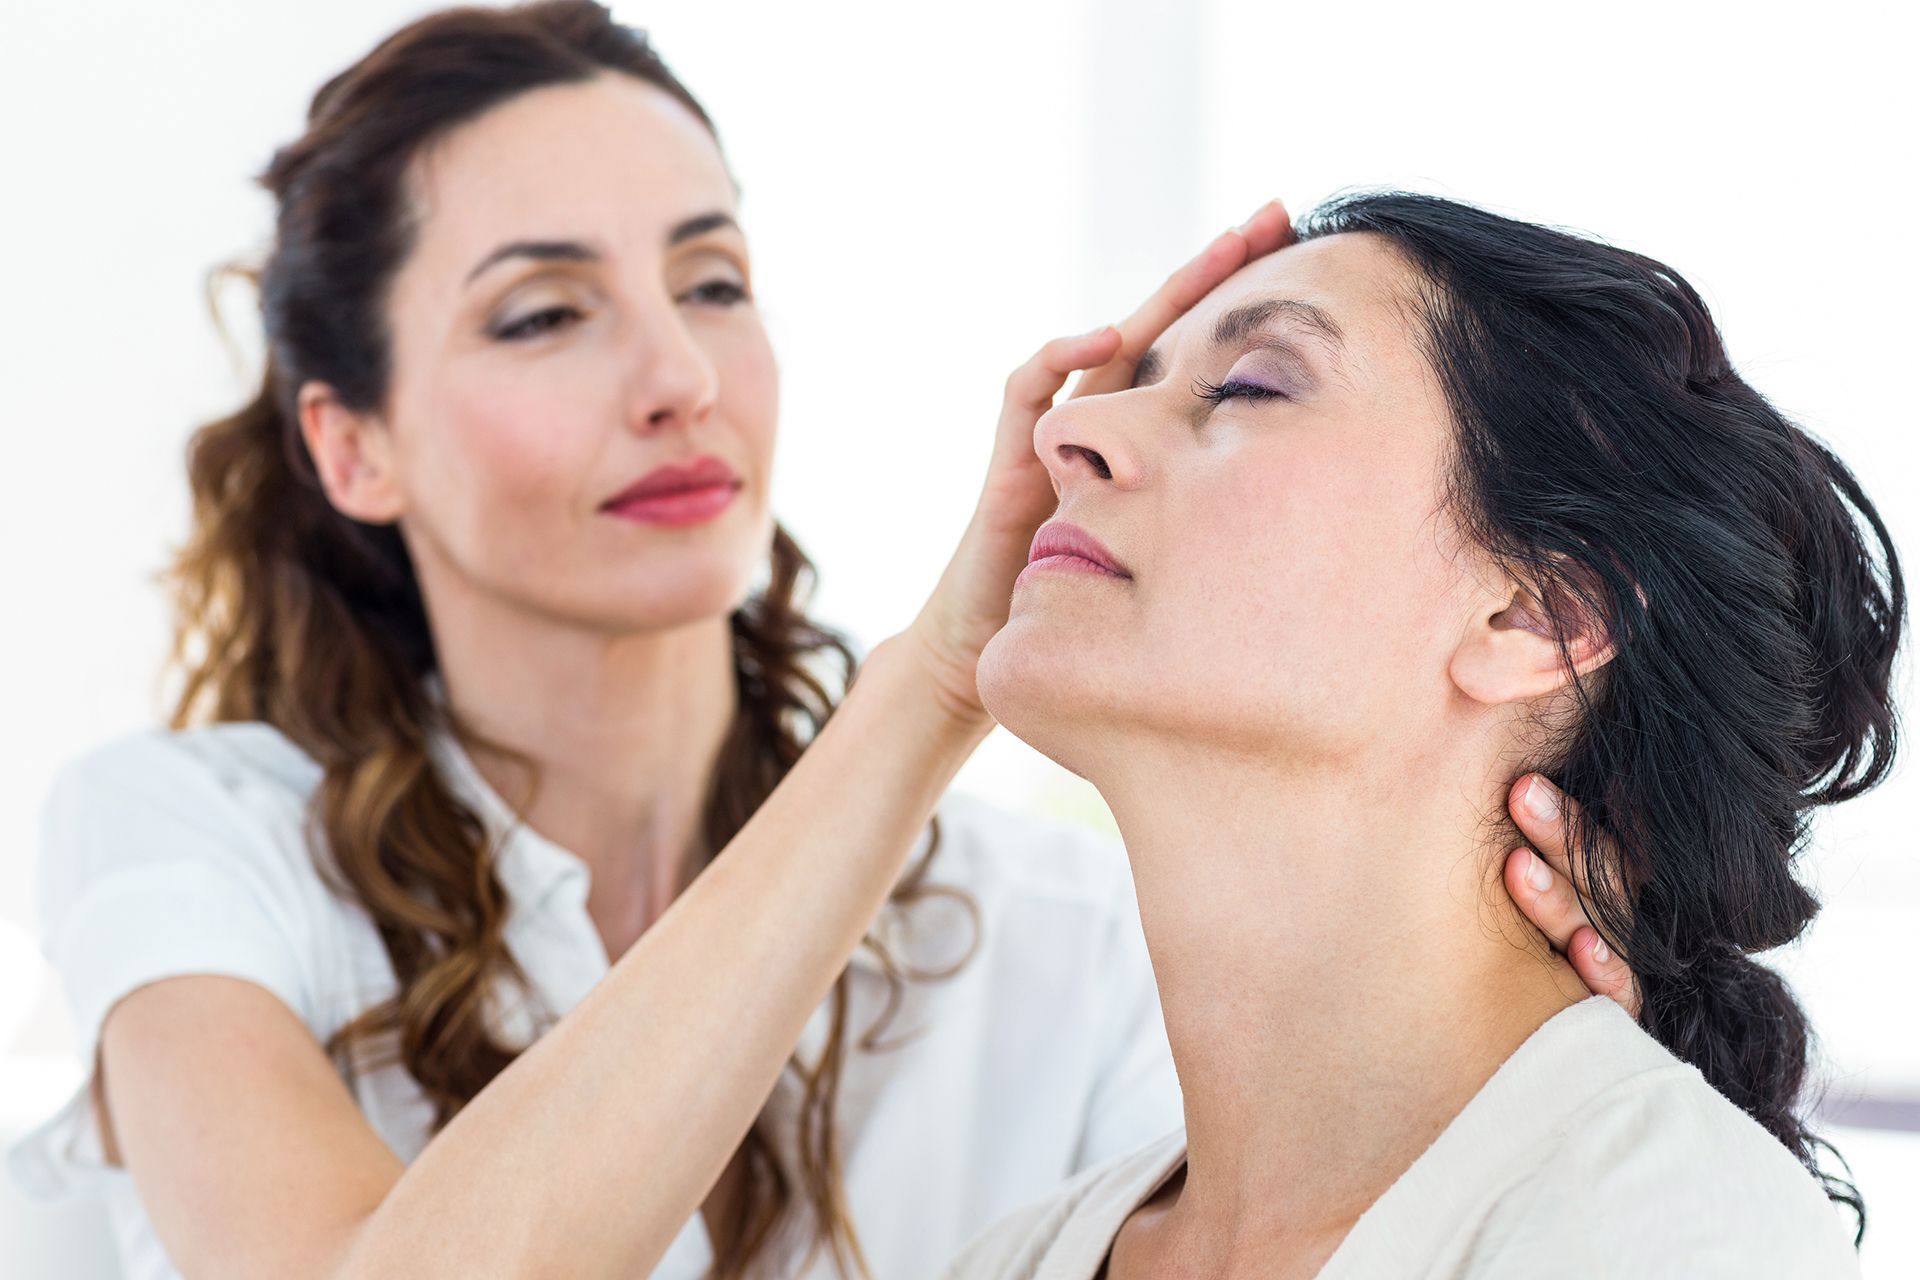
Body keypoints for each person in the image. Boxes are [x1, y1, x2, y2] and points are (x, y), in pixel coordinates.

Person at [5, 7, 1628, 1279]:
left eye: (713, 281)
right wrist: (933, 683)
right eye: (543, 313)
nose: (679, 379)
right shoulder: (189, 840)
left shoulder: (1060, 941)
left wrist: (1513, 1080)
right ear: (353, 446)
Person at [939, 191, 1901, 1278]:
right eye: (1140, 383)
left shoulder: (1674, 1232)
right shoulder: (1012, 1257)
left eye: (1251, 385)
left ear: (1537, 613)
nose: (1066, 429)